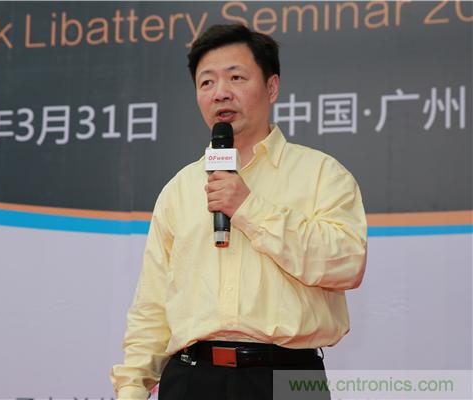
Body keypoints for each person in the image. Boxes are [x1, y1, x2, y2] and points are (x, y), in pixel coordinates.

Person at [110, 24, 367, 400]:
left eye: (236, 77)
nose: (220, 93)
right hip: (191, 379)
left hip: (288, 378)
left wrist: (248, 207)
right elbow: (153, 302)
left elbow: (346, 264)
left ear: (272, 87)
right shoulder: (179, 189)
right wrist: (132, 385)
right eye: (207, 82)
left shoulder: (321, 174)